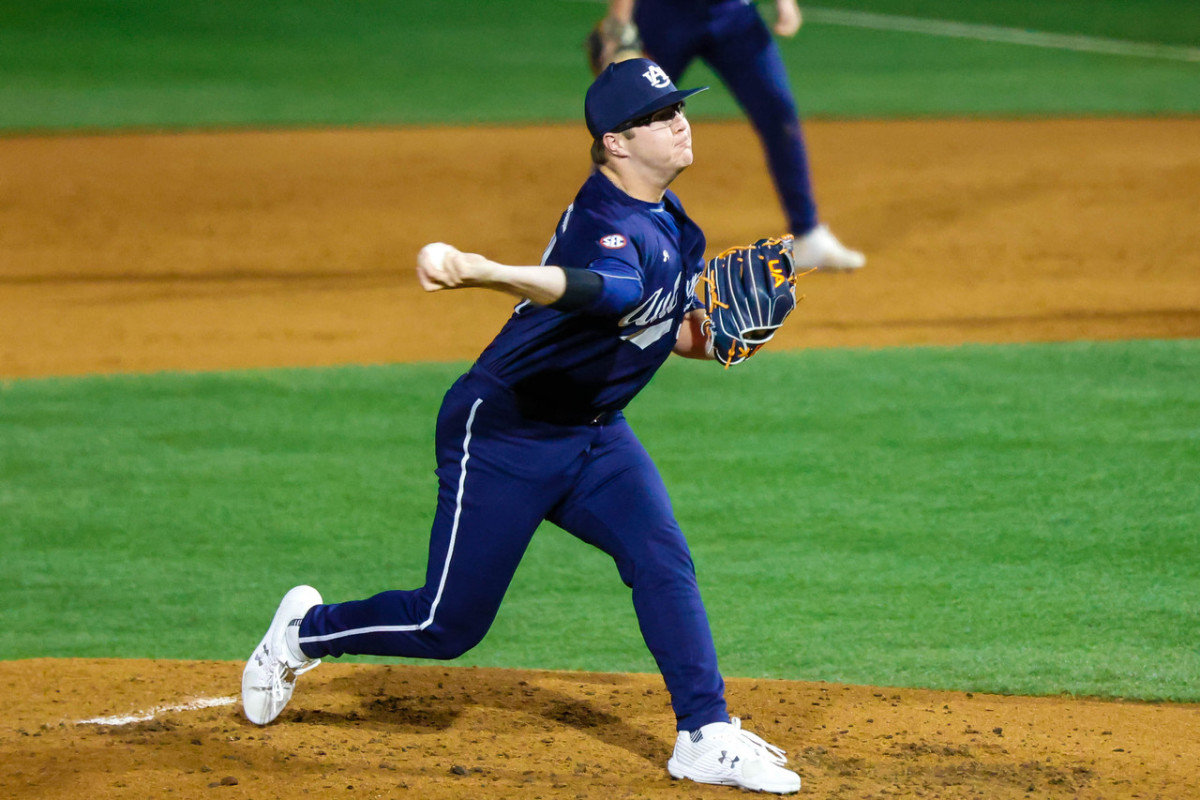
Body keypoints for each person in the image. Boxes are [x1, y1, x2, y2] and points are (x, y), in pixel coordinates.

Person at [241, 58, 801, 795]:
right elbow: (592, 290)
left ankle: (705, 732)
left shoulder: (671, 220)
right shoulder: (603, 227)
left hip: (596, 435)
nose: (679, 121)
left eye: (679, 108)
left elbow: (652, 327)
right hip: (505, 433)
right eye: (658, 117)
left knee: (662, 559)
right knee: (447, 625)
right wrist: (483, 269)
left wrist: (716, 339)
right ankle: (303, 633)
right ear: (616, 143)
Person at [595, 0, 865, 271]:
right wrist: (619, 24)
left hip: (735, 16)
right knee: (630, 122)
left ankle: (807, 235)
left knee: (778, 112)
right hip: (665, 16)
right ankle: (600, 235)